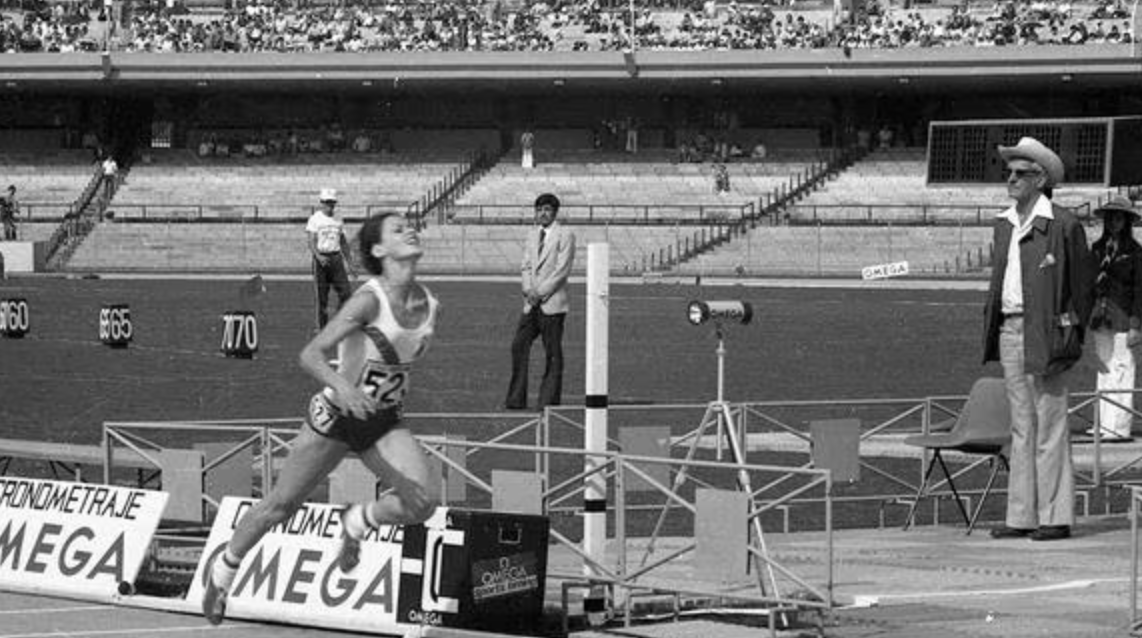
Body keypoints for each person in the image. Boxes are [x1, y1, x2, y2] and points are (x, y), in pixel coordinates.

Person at [201, 212, 440, 625]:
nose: (410, 230)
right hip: (335, 416)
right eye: (398, 229)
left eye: (411, 225)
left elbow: (395, 367)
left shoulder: (430, 304)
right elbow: (310, 355)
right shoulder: (368, 299)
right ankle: (222, 573)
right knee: (280, 505)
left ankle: (357, 520)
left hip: (382, 421)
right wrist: (345, 388)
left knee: (423, 502)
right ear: (379, 250)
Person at [982, 136, 1095, 542]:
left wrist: (1072, 334)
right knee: (1022, 427)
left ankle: (1055, 515)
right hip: (1011, 328)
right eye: (1009, 173)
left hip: (1046, 332)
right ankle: (1022, 515)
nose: (1011, 179)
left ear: (1041, 178)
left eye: (1020, 173)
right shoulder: (1004, 223)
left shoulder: (1063, 224)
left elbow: (1083, 287)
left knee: (1050, 424)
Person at [503, 193, 575, 411]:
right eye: (539, 209)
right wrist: (528, 290)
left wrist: (540, 292)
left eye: (547, 209)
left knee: (552, 352)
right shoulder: (532, 234)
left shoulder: (565, 234)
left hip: (552, 303)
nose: (542, 213)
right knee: (518, 346)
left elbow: (561, 270)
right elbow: (525, 265)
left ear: (555, 212)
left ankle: (548, 401)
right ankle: (516, 399)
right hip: (531, 302)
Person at [1088, 194, 1142, 442]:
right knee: (1104, 367)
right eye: (1111, 218)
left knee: (1122, 367)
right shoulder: (1098, 249)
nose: (1114, 222)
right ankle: (1103, 423)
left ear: (1127, 221)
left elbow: (1140, 291)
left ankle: (1119, 426)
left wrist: (1135, 325)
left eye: (1119, 218)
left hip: (1123, 315)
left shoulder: (1135, 252)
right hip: (1101, 315)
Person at [307, 188, 353, 332]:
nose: (330, 205)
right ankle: (322, 327)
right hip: (321, 259)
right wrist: (318, 256)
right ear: (321, 203)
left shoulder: (338, 219)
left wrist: (350, 262)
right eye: (327, 202)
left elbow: (343, 241)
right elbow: (311, 241)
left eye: (332, 202)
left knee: (346, 292)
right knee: (322, 297)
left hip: (336, 258)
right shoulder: (315, 219)